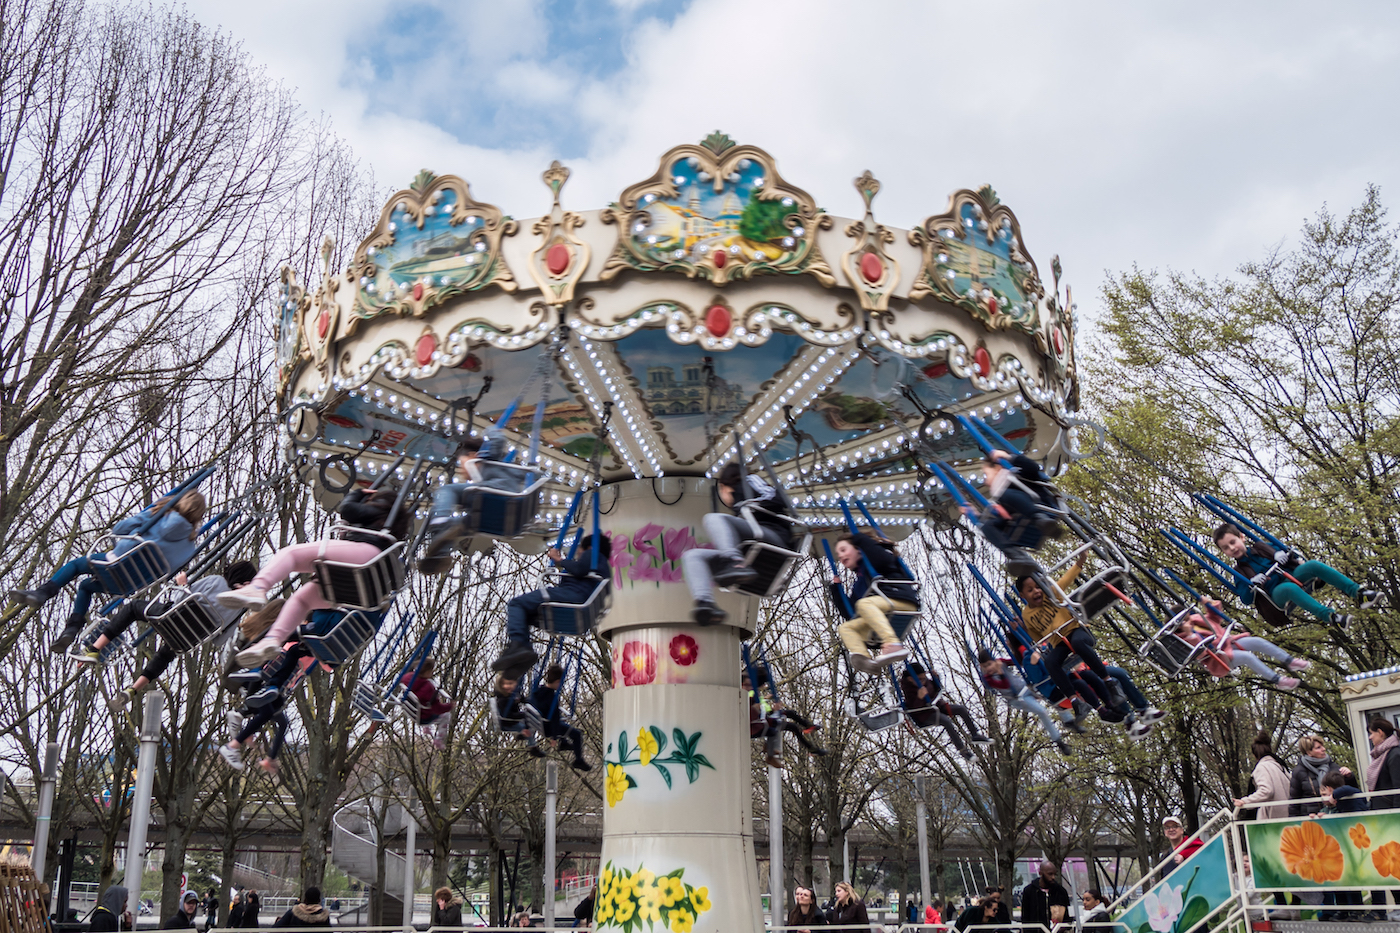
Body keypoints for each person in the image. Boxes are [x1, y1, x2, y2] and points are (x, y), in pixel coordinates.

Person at [222, 484, 409, 668]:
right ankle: (271, 640)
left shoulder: (381, 510)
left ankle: (258, 587)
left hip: (363, 555)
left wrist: (358, 493)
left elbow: (347, 510)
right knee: (302, 600)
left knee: (291, 554)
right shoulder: (392, 534)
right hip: (362, 589)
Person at [11, 490, 208, 652]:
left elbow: (120, 529)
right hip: (130, 584)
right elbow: (170, 571)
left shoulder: (161, 514)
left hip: (116, 563)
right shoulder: (189, 546)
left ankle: (43, 592)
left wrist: (145, 517)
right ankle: (71, 631)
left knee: (76, 565)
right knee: (86, 586)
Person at [83, 561, 257, 708]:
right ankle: (133, 689)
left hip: (170, 618)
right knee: (166, 654)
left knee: (133, 608)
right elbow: (219, 641)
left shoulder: (217, 581)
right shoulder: (238, 611)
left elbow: (180, 599)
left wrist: (182, 584)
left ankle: (95, 648)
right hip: (187, 639)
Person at [682, 463, 797, 626]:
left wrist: (752, 504)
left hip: (773, 536)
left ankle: (733, 561)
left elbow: (777, 497)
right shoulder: (740, 511)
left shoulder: (749, 481)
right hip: (752, 548)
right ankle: (705, 603)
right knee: (692, 556)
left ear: (723, 486)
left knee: (713, 518)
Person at [1213, 522, 1378, 627]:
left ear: (1242, 537)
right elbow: (1245, 599)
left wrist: (1282, 554)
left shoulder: (1262, 547)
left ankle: (1359, 593)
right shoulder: (1239, 571)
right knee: (1288, 588)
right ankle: (1331, 617)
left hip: (1291, 575)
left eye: (1233, 542)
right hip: (1275, 595)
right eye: (1226, 548)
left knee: (1312, 565)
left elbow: (1289, 553)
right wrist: (1252, 584)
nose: (1232, 548)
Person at [492, 534, 611, 676]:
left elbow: (579, 569)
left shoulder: (592, 554)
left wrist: (559, 560)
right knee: (525, 615)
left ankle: (519, 645)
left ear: (589, 547)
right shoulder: (604, 569)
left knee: (516, 604)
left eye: (580, 549)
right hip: (581, 610)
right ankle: (522, 652)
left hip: (571, 597)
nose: (578, 552)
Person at [828, 531, 915, 672]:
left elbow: (881, 560)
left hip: (900, 600)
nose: (841, 557)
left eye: (843, 550)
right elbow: (852, 613)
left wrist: (860, 539)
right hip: (883, 609)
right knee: (845, 628)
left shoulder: (876, 560)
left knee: (864, 604)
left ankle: (892, 643)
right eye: (838, 554)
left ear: (858, 548)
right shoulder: (860, 583)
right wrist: (836, 591)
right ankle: (866, 661)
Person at [1174, 598, 1306, 690]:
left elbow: (1215, 618)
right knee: (1247, 657)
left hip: (1228, 642)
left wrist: (1210, 604)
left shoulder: (1196, 619)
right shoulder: (1182, 637)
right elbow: (1200, 653)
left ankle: (1289, 660)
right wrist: (1190, 634)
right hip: (1219, 657)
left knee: (1257, 641)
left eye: (1189, 617)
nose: (1190, 621)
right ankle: (1278, 680)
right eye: (1186, 620)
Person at [967, 450, 1062, 563]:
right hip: (1021, 521)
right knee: (987, 526)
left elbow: (1033, 467)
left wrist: (1010, 457)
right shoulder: (1000, 498)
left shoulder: (1018, 475)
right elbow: (999, 520)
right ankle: (1016, 555)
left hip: (1041, 505)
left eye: (986, 475)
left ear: (997, 468)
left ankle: (1040, 519)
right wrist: (977, 516)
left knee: (1006, 494)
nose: (985, 481)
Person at [976, 650, 1071, 756]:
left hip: (1025, 688)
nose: (988, 668)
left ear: (994, 661)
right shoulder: (988, 679)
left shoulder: (1000, 662)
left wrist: (1024, 655)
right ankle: (1059, 741)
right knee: (1042, 711)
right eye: (985, 666)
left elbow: (1015, 661)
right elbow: (1004, 685)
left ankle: (1068, 720)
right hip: (1017, 698)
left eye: (989, 664)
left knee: (1051, 694)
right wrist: (1000, 672)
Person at [900, 664, 990, 760]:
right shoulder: (908, 689)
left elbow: (936, 688)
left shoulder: (924, 681)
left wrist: (936, 678)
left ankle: (975, 734)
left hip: (937, 706)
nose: (923, 681)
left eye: (924, 678)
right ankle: (963, 751)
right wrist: (919, 697)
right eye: (920, 679)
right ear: (910, 679)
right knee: (946, 721)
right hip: (924, 714)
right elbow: (913, 707)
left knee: (961, 709)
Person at [744, 668, 825, 769]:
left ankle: (807, 726)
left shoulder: (754, 693)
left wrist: (767, 701)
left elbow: (760, 705)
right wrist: (765, 706)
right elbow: (755, 708)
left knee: (790, 714)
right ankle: (811, 747)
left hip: (765, 715)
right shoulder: (751, 693)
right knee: (790, 726)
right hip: (762, 718)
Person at [529, 664, 591, 771]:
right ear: (557, 681)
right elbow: (555, 719)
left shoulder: (538, 691)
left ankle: (564, 743)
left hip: (541, 722)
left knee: (562, 720)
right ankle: (579, 760)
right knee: (577, 734)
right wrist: (554, 737)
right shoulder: (552, 698)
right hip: (549, 727)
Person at [1233, 730, 1291, 819]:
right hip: (1288, 816)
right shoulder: (1280, 767)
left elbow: (1266, 791)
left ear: (1255, 755)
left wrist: (1245, 801)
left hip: (1273, 819)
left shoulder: (1261, 768)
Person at [1289, 734, 1351, 817]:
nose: (1324, 749)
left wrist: (1349, 776)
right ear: (1309, 752)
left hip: (1335, 816)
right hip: (1311, 819)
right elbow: (1294, 801)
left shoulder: (1334, 767)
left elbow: (1349, 790)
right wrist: (1294, 822)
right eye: (1318, 748)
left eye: (1322, 746)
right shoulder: (1299, 771)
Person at [402, 657, 454, 750]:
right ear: (427, 672)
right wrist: (449, 706)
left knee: (424, 703)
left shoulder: (407, 677)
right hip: (423, 717)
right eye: (431, 671)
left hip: (409, 709)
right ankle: (439, 739)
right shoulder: (428, 688)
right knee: (446, 715)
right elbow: (437, 708)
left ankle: (427, 728)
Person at [1019, 860, 1070, 933]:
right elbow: (1025, 917)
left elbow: (1066, 917)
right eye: (1050, 874)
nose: (1053, 877)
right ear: (1040, 873)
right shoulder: (1029, 891)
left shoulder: (1061, 891)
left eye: (1054, 874)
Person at [1366, 716, 1400, 809]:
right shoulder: (1381, 755)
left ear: (1380, 732)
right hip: (1383, 809)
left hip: (1390, 811)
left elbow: (1398, 787)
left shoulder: (1395, 755)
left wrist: (1396, 813)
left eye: (1371, 733)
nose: (1370, 737)